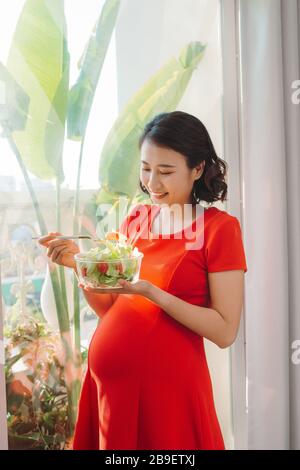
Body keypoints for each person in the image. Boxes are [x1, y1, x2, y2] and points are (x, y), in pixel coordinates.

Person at [39, 111, 247, 450]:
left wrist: (154, 293)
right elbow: (111, 306)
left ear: (197, 169)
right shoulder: (137, 218)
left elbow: (224, 331)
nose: (152, 182)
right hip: (109, 391)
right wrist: (80, 264)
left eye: (165, 171)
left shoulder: (219, 230)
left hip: (167, 396)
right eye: (145, 168)